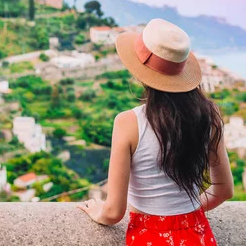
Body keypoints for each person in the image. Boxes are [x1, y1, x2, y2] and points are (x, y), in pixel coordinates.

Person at [77, 18, 233, 245]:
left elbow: (113, 213)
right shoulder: (209, 117)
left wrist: (96, 211)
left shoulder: (128, 122)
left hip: (149, 237)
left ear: (140, 73)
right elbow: (224, 190)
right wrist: (183, 214)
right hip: (197, 235)